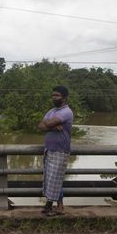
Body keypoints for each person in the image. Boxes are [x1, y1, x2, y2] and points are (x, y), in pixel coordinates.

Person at [38, 85, 74, 216]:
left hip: (60, 150)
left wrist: (49, 124)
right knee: (51, 179)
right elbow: (41, 126)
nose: (54, 98)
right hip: (49, 149)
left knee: (55, 179)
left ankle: (55, 207)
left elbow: (46, 123)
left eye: (57, 95)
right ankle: (52, 206)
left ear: (64, 97)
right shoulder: (51, 111)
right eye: (53, 95)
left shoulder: (66, 112)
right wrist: (52, 126)